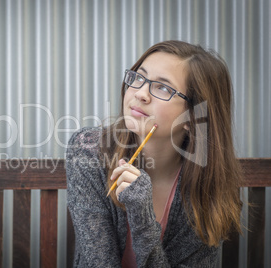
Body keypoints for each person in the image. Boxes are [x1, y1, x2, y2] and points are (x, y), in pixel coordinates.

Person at [65, 40, 242, 267]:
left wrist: (142, 215)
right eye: (139, 77)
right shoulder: (89, 151)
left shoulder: (206, 186)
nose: (140, 94)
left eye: (163, 88)